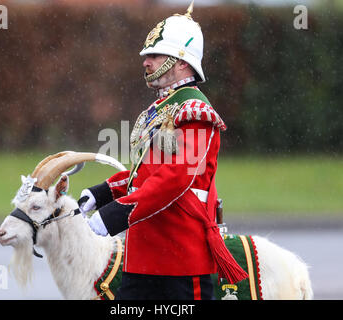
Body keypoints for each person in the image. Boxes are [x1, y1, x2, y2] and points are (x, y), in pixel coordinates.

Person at [79, 2, 248, 300]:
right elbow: (148, 172)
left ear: (182, 61)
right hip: (143, 258)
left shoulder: (195, 111)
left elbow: (175, 178)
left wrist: (115, 214)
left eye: (155, 55)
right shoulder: (164, 108)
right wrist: (102, 192)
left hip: (179, 259)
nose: (145, 62)